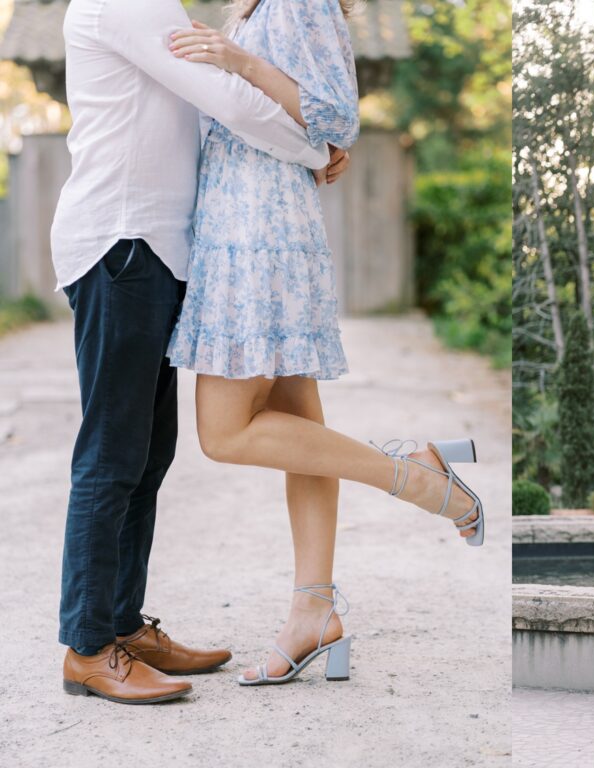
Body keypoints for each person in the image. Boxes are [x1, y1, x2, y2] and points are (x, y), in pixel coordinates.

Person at [164, 0, 484, 687]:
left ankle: (416, 476)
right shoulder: (244, 9)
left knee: (224, 434)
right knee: (300, 431)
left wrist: (241, 63)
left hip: (259, 229)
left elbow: (338, 115)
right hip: (239, 216)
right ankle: (313, 612)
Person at [51, 0, 350, 704]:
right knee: (111, 455)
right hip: (120, 242)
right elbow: (227, 100)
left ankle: (122, 623)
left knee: (148, 453)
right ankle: (88, 648)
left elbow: (210, 112)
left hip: (156, 250)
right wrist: (318, 152)